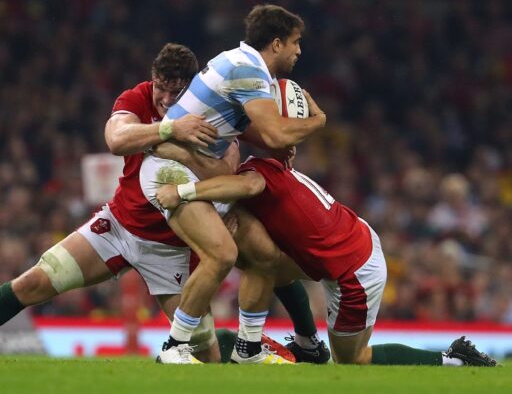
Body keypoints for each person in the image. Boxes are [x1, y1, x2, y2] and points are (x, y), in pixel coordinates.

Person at [0, 43, 228, 362]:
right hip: (118, 227)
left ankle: (249, 345)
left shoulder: (211, 115)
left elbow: (226, 172)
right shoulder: (137, 97)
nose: (166, 98)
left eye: (176, 91)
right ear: (152, 80)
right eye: (160, 88)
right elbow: (116, 138)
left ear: (192, 87)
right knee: (32, 282)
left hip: (171, 248)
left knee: (202, 351)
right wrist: (169, 131)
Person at [154, 156, 497, 367]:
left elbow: (249, 185)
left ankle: (452, 358)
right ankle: (306, 344)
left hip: (355, 271)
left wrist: (184, 192)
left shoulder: (254, 176)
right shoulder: (264, 167)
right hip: (348, 242)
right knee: (265, 261)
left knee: (353, 359)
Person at [139, 4, 327, 364]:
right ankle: (174, 347)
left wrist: (280, 143)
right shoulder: (247, 69)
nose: (299, 51)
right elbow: (273, 132)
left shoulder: (245, 66)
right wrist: (318, 121)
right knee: (221, 253)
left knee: (264, 256)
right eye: (295, 42)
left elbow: (257, 132)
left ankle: (248, 350)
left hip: (201, 170)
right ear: (275, 44)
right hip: (169, 168)